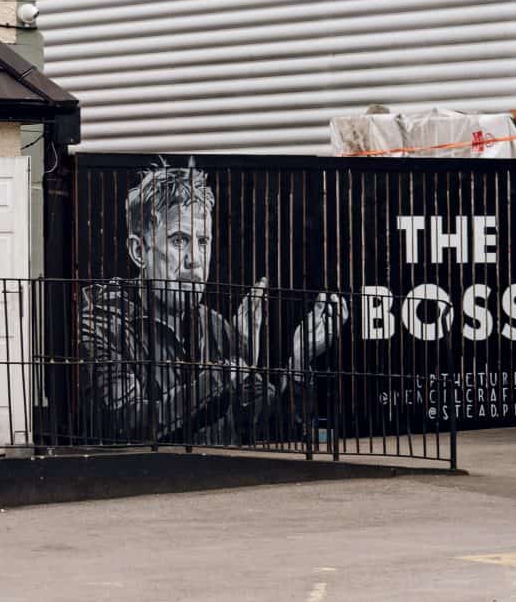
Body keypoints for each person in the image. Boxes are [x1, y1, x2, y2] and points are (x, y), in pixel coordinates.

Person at [79, 158, 348, 446]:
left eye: (203, 241)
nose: (194, 259)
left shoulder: (215, 325)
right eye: (179, 240)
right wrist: (226, 374)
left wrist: (298, 360)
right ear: (138, 250)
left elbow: (272, 425)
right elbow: (131, 424)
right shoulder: (101, 327)